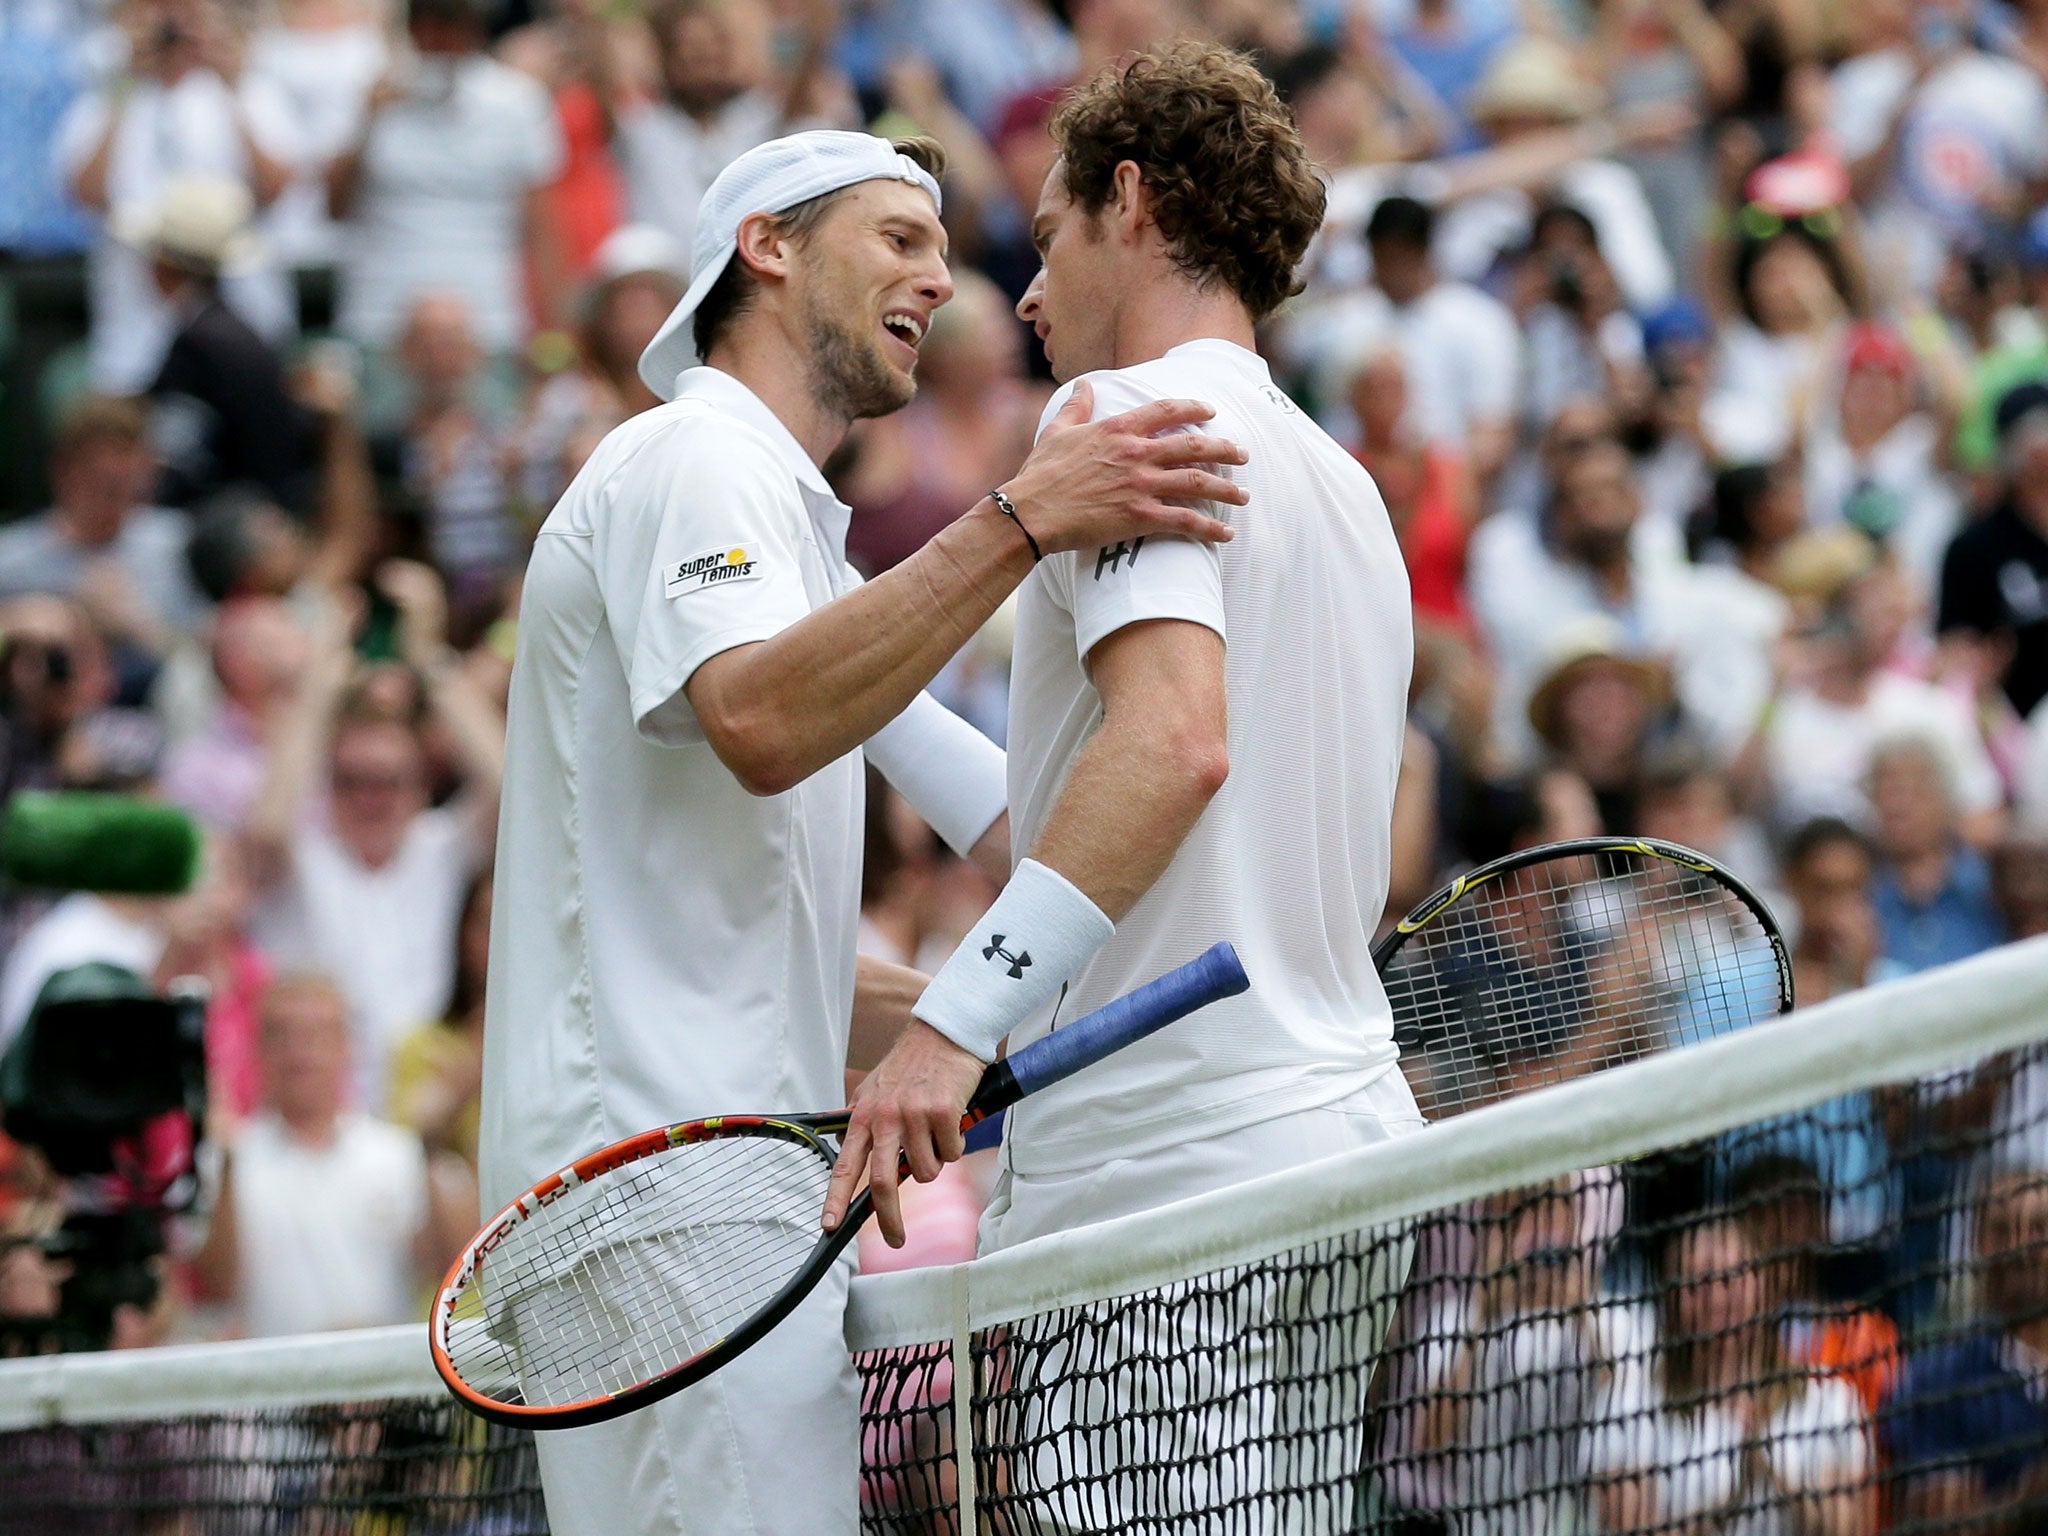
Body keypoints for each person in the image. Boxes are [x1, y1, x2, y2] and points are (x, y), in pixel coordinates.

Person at [477, 125, 1244, 1536]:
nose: (940, 281)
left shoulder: (796, 536)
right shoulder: (691, 455)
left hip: (727, 1199)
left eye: (946, 253)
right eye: (897, 238)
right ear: (766, 245)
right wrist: (1021, 521)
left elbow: (1017, 822)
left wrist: (988, 1016)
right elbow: (762, 723)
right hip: (661, 1195)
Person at [827, 43, 1424, 1526]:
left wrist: (945, 1033)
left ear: (1134, 205)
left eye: (1046, 240)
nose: (1025, 300)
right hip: (1339, 1160)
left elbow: (1169, 748)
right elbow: (1084, 823)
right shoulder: (1339, 480)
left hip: (1170, 1186)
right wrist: (851, 682)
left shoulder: (1122, 418)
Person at [192, 972, 470, 1338]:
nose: (299, 1051)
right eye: (282, 1033)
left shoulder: (395, 1153)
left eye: (318, 1034)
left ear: (347, 1046)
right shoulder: (228, 1158)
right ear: (257, 1047)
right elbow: (214, 1288)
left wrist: (432, 1143)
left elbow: (449, 1272)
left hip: (380, 1382)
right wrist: (227, 1158)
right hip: (272, 1383)